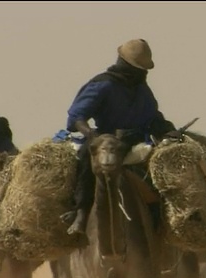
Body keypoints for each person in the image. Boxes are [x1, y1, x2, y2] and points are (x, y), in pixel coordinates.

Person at [60, 38, 177, 235]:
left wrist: (168, 130)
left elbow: (152, 115)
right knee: (86, 163)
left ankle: (162, 218)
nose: (144, 73)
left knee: (162, 168)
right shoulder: (103, 85)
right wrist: (92, 136)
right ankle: (80, 212)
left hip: (138, 142)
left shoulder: (141, 88)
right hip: (108, 140)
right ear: (128, 65)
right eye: (141, 68)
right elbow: (76, 116)